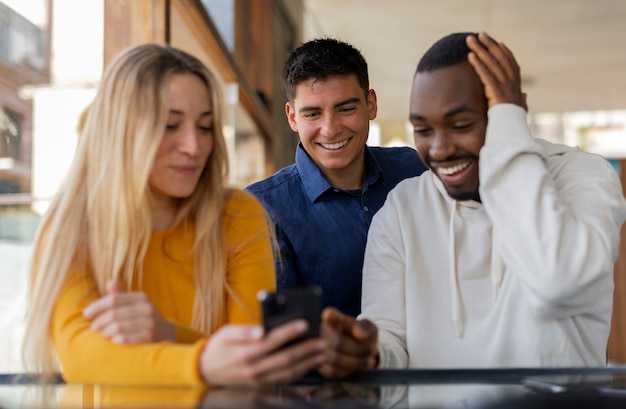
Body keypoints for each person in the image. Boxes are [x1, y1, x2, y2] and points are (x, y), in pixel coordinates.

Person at [21, 43, 326, 387]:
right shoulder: (71, 227)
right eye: (170, 125)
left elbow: (249, 358)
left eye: (205, 127)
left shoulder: (238, 216)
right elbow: (82, 356)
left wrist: (166, 332)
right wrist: (199, 362)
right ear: (120, 129)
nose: (193, 147)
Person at [326, 31, 626, 373]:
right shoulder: (403, 208)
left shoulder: (583, 175)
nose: (439, 149)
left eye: (461, 124)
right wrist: (370, 353)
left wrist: (509, 131)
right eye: (423, 129)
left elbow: (558, 281)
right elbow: (390, 339)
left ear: (510, 114)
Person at [246, 38, 427, 317]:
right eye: (313, 114)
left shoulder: (412, 169)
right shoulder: (261, 209)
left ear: (371, 104)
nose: (330, 130)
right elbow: (282, 332)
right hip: (333, 361)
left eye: (346, 109)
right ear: (292, 117)